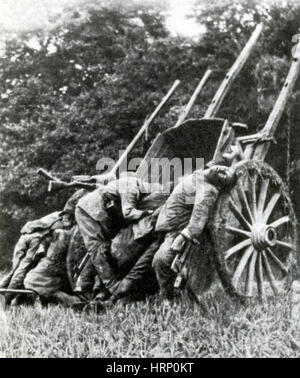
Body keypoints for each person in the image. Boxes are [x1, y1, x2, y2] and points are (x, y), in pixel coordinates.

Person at [152, 164, 236, 300]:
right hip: (160, 227)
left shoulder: (208, 190)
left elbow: (198, 221)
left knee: (161, 260)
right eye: (225, 169)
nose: (222, 170)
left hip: (175, 231)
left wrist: (182, 237)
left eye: (224, 176)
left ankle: (168, 299)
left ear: (219, 185)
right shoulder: (198, 175)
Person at [75, 175, 163, 300]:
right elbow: (128, 213)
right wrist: (148, 213)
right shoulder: (132, 187)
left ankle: (93, 286)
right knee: (96, 248)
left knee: (105, 248)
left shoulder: (133, 186)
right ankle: (103, 286)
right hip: (88, 210)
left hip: (100, 212)